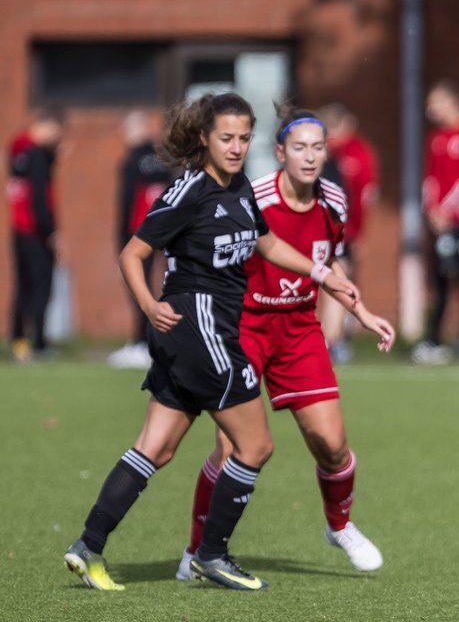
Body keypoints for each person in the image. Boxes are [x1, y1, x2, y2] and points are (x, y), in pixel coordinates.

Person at [62, 92, 360, 593]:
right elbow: (132, 254)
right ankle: (211, 556)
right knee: (255, 444)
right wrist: (148, 304)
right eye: (227, 138)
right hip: (200, 329)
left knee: (155, 448)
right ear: (204, 138)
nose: (237, 147)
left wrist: (319, 272)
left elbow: (264, 241)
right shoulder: (189, 191)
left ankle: (87, 546)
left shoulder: (239, 187)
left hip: (199, 334)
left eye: (244, 138)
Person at [176, 104, 394, 581]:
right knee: (231, 447)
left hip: (298, 331)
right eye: (300, 148)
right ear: (280, 153)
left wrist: (363, 312)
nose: (310, 157)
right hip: (246, 328)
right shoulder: (253, 198)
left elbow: (330, 264)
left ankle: (340, 526)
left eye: (318, 147)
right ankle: (196, 551)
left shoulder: (335, 199)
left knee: (332, 444)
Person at [412, 80, 459, 365]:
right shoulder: (436, 138)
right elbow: (430, 178)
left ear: (452, 102)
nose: (430, 109)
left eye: (435, 102)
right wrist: (431, 210)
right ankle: (434, 340)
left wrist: (447, 210)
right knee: (441, 280)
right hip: (439, 224)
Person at [316, 102, 380, 364]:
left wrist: (357, 232)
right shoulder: (323, 156)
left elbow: (364, 196)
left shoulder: (354, 153)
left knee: (335, 283)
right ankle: (328, 341)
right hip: (318, 232)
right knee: (327, 283)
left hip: (341, 233)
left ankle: (332, 341)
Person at [108, 109, 172, 369]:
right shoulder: (162, 159)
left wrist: (122, 233)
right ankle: (156, 341)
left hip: (139, 232)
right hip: (166, 229)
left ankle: (142, 342)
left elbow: (127, 199)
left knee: (138, 285)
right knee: (168, 283)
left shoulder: (132, 160)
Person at [7, 107, 65, 362]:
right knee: (41, 288)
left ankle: (19, 341)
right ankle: (39, 343)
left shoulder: (18, 150)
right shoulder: (38, 154)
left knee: (22, 287)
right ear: (51, 125)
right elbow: (40, 198)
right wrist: (51, 232)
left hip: (18, 229)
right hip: (36, 232)